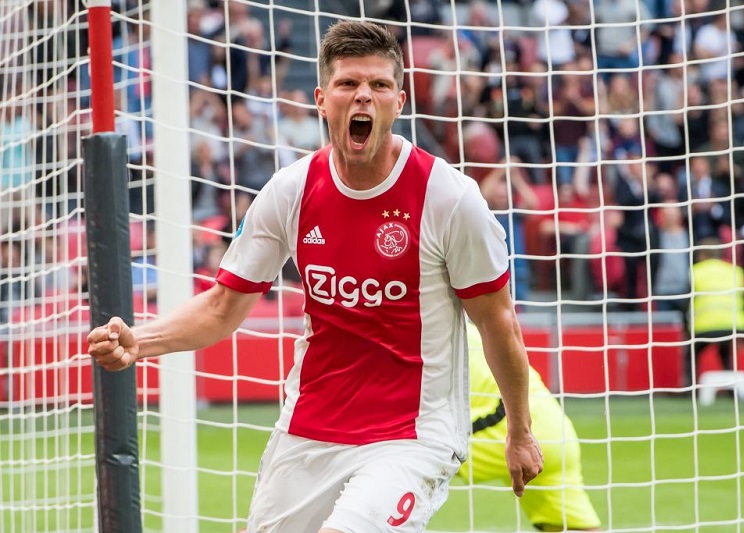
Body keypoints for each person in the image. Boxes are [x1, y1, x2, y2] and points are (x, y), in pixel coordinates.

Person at [87, 20, 543, 533]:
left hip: (411, 436)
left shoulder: (449, 198)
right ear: (322, 100)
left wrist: (520, 431)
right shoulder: (290, 191)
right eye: (348, 83)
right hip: (308, 431)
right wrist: (140, 342)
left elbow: (497, 321)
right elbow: (221, 307)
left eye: (379, 85)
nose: (363, 96)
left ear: (399, 101)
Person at [459, 322, 601, 531]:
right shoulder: (474, 328)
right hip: (555, 429)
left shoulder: (433, 333)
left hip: (506, 426)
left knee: (414, 455)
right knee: (574, 528)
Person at [686, 237, 744, 388]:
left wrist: (686, 328)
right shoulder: (735, 271)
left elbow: (686, 303)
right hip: (734, 325)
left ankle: (690, 388)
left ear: (701, 255)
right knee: (724, 351)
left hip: (704, 325)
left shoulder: (695, 271)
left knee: (691, 353)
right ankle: (732, 388)